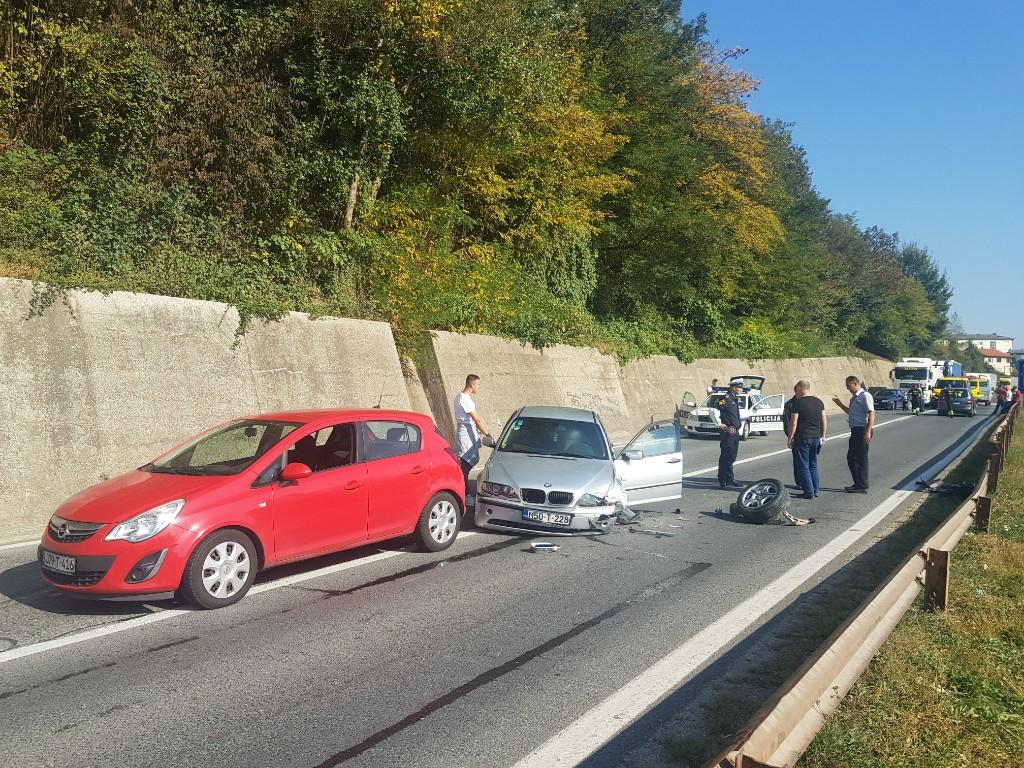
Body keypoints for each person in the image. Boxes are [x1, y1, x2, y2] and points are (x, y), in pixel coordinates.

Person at [832, 375, 875, 494]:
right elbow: (851, 413)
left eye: (848, 386)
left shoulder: (865, 396)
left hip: (862, 430)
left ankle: (862, 485)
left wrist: (867, 431)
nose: (848, 389)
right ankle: (858, 483)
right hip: (856, 430)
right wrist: (840, 404)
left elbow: (872, 414)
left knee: (860, 458)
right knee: (852, 458)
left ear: (856, 384)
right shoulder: (855, 398)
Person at [453, 374, 492, 505]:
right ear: (472, 384)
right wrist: (488, 434)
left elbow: (478, 419)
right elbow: (477, 419)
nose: (478, 387)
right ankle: (465, 495)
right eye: (478, 384)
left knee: (468, 462)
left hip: (469, 431)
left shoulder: (462, 397)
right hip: (466, 433)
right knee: (464, 464)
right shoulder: (464, 399)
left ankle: (464, 493)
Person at [788, 380, 826, 499]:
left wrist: (790, 438)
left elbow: (793, 423)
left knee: (803, 465)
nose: (796, 394)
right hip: (815, 437)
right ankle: (815, 489)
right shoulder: (819, 402)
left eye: (796, 390)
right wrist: (823, 435)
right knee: (813, 464)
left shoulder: (798, 404)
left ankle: (809, 492)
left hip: (803, 437)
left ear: (800, 388)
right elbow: (823, 420)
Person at [709, 379, 744, 489]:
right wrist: (719, 424)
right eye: (740, 387)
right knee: (726, 456)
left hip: (734, 432)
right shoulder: (726, 399)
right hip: (728, 432)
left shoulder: (734, 398)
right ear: (734, 387)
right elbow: (712, 410)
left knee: (732, 456)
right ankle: (723, 479)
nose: (741, 389)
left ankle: (729, 478)